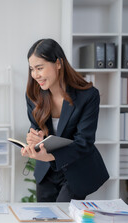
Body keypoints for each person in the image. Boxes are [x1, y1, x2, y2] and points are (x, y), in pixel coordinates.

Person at [21, 38, 109, 202]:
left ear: (58, 63)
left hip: (76, 169)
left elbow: (84, 141)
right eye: (32, 69)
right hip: (46, 171)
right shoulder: (33, 95)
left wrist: (51, 155)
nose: (35, 75)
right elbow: (35, 127)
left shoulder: (88, 96)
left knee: (65, 218)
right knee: (45, 221)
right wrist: (35, 139)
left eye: (40, 68)